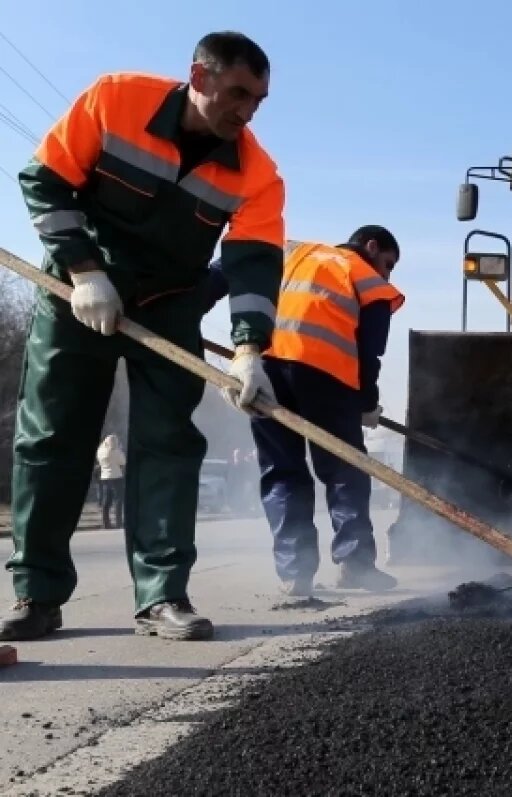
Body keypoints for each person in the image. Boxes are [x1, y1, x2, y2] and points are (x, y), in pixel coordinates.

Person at [0, 31, 285, 643]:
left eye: (258, 100)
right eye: (238, 93)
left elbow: (254, 264)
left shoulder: (256, 173)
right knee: (52, 436)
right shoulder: (115, 101)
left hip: (168, 305)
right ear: (199, 77)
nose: (247, 111)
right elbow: (44, 180)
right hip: (78, 294)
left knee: (169, 445)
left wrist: (247, 351)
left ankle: (163, 596)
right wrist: (83, 271)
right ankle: (37, 593)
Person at [204, 226, 405, 597]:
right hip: (328, 380)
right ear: (371, 247)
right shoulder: (368, 280)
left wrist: (188, 309)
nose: (387, 273)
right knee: (345, 471)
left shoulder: (288, 250)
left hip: (263, 371)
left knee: (282, 472)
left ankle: (295, 574)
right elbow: (370, 354)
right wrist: (367, 404)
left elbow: (227, 266)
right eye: (388, 263)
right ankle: (356, 566)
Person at [95, 434, 126, 529]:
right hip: (116, 477)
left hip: (104, 477)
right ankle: (118, 522)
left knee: (106, 502)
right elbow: (123, 461)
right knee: (118, 500)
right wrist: (120, 450)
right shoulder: (115, 451)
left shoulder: (100, 451)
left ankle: (106, 523)